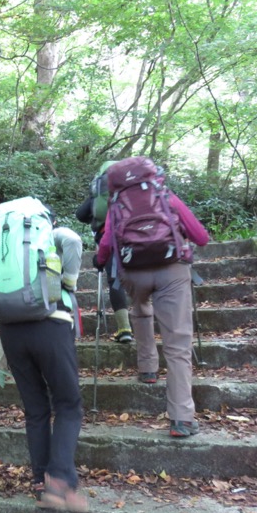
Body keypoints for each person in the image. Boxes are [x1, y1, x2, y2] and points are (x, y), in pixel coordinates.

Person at [0, 212, 89, 513]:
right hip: (52, 324)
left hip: (11, 331)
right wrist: (68, 284)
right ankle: (58, 481)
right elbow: (72, 240)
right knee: (68, 404)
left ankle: (39, 480)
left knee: (35, 408)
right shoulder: (50, 235)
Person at [94, 166, 210, 438]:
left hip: (133, 272)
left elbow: (107, 243)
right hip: (172, 270)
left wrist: (100, 261)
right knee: (178, 344)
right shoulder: (165, 196)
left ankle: (147, 367)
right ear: (154, 176)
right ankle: (181, 418)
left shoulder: (117, 203)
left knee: (141, 308)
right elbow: (200, 236)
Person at [75, 161, 133, 344]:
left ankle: (124, 328)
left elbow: (80, 214)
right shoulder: (137, 187)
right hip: (140, 238)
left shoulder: (100, 191)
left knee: (115, 280)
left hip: (109, 240)